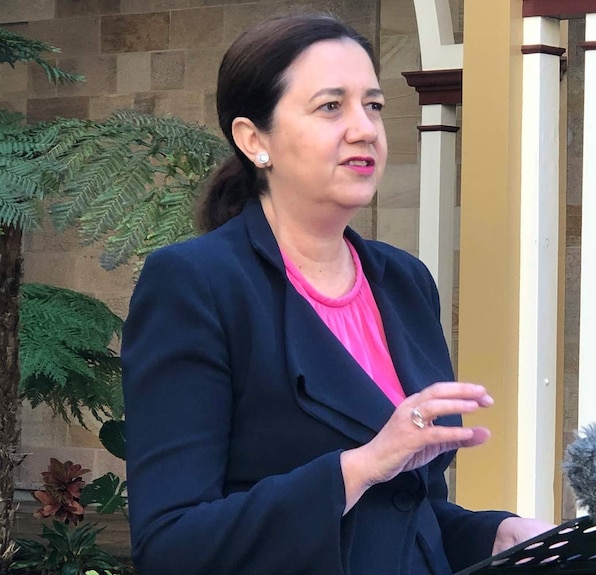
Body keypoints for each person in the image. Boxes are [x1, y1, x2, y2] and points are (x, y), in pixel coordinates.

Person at [121, 12, 554, 575]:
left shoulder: (405, 282)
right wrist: (364, 464)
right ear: (255, 139)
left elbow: (410, 510)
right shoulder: (196, 284)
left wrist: (492, 533)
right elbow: (171, 544)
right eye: (331, 106)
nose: (364, 128)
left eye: (373, 105)